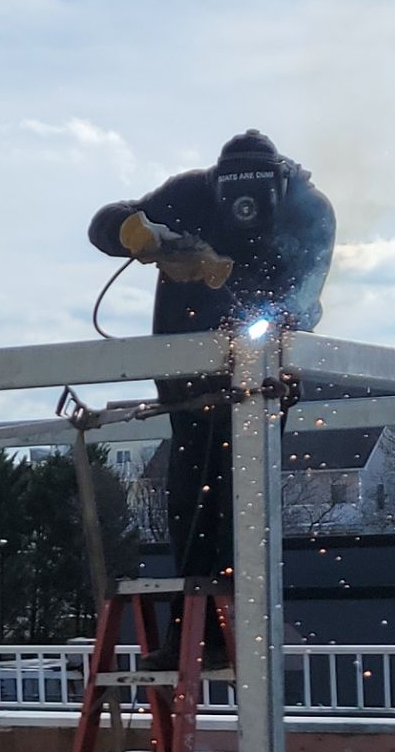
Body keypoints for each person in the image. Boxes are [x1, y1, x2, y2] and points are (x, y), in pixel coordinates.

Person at [89, 130, 336, 589]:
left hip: (264, 380)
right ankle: (193, 621)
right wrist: (138, 236)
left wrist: (261, 317)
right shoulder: (190, 195)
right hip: (186, 378)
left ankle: (243, 615)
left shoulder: (307, 210)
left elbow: (302, 302)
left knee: (244, 496)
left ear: (279, 184)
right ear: (218, 184)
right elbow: (102, 224)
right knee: (190, 499)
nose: (245, 210)